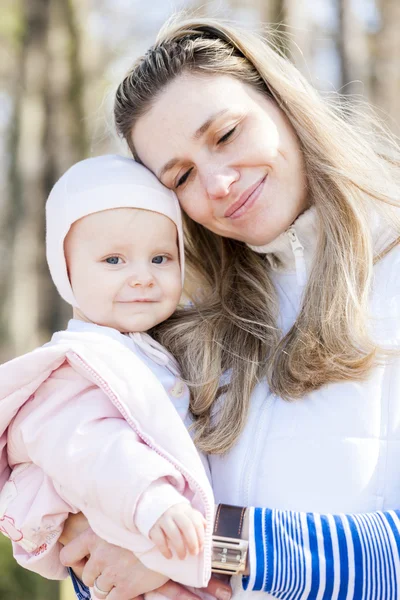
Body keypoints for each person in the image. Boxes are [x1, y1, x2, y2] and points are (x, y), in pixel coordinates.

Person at [3, 15, 400, 600]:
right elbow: (80, 529)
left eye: (226, 134)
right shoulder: (171, 331)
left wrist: (209, 551)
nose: (217, 182)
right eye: (182, 175)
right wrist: (99, 541)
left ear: (283, 102)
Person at [0, 155, 215, 597]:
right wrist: (152, 501)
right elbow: (89, 448)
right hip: (142, 524)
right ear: (66, 271)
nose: (141, 277)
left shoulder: (156, 349)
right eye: (114, 260)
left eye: (160, 257)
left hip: (173, 545)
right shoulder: (75, 365)